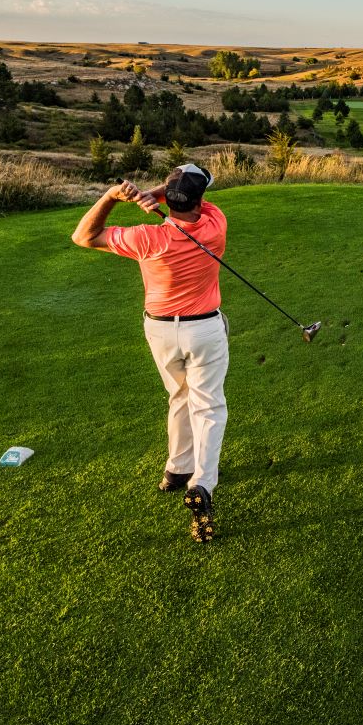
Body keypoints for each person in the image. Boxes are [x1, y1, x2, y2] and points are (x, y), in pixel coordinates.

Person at [70, 163, 229, 543]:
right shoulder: (214, 225)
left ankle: (176, 470)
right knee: (208, 406)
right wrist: (156, 195)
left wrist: (114, 196)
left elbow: (83, 236)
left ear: (170, 200)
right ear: (200, 199)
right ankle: (202, 484)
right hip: (205, 328)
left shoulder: (145, 238)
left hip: (160, 330)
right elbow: (189, 199)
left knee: (178, 395)